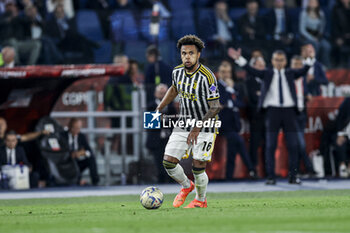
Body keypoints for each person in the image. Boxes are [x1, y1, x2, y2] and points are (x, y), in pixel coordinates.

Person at [228, 47, 313, 185]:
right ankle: (271, 176)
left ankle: (293, 176)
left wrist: (309, 58)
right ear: (272, 61)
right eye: (276, 60)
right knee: (270, 145)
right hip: (272, 111)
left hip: (289, 111)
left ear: (285, 61)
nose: (279, 62)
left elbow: (304, 70)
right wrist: (239, 59)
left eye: (281, 60)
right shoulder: (267, 73)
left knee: (293, 145)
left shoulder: (290, 73)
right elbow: (251, 70)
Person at [156, 35, 221, 208]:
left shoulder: (208, 77)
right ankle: (186, 186)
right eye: (184, 53)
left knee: (198, 164)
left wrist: (198, 126)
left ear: (198, 54)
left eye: (191, 53)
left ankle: (201, 200)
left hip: (206, 124)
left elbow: (215, 107)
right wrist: (159, 108)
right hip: (184, 123)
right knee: (168, 162)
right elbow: (174, 89)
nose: (187, 57)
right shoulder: (177, 72)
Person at [216, 60, 256, 180]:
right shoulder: (215, 86)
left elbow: (241, 103)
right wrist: (229, 93)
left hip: (234, 123)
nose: (226, 74)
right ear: (219, 73)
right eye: (223, 72)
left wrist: (231, 92)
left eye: (228, 72)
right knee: (239, 142)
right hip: (222, 123)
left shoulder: (235, 86)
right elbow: (219, 102)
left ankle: (229, 175)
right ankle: (251, 169)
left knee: (233, 149)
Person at [290, 55, 317, 177]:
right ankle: (309, 168)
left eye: (299, 64)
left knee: (297, 144)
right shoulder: (287, 78)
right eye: (294, 64)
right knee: (300, 143)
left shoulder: (303, 78)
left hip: (302, 113)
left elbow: (304, 92)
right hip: (291, 114)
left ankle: (297, 171)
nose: (297, 67)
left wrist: (307, 95)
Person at [146, 84, 177, 183]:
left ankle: (171, 179)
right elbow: (150, 123)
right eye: (161, 93)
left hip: (169, 138)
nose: (163, 95)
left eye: (165, 93)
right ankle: (161, 178)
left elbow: (175, 121)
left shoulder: (172, 106)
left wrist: (161, 118)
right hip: (156, 138)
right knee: (158, 160)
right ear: (155, 94)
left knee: (171, 160)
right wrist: (165, 119)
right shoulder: (150, 105)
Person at [61, 118, 99, 186]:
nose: (77, 130)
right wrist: (70, 154)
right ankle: (76, 181)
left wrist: (81, 153)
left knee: (91, 159)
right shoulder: (63, 136)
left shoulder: (81, 136)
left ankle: (95, 182)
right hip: (66, 164)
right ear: (70, 127)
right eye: (75, 128)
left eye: (78, 128)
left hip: (77, 163)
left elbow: (89, 152)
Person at [246, 56, 266, 173]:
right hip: (256, 118)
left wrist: (260, 94)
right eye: (259, 65)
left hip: (267, 118)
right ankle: (253, 170)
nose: (262, 68)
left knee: (268, 145)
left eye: (263, 65)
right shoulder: (249, 80)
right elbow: (253, 98)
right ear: (253, 67)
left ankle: (268, 170)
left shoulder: (267, 79)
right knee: (254, 144)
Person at [299, 0, 331, 67]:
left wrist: (319, 35)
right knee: (315, 45)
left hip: (317, 36)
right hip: (306, 37)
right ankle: (313, 66)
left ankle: (326, 66)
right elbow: (302, 30)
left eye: (314, 2)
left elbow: (322, 27)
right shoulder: (304, 13)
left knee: (326, 46)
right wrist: (312, 38)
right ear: (308, 4)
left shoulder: (320, 13)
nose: (313, 4)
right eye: (311, 2)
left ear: (317, 4)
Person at [334, 97, 350, 178]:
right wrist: (340, 134)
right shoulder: (348, 102)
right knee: (340, 142)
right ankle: (342, 166)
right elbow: (340, 118)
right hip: (344, 132)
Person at [331, 0, 350, 67]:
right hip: (341, 36)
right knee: (338, 45)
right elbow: (334, 26)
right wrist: (339, 37)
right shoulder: (336, 8)